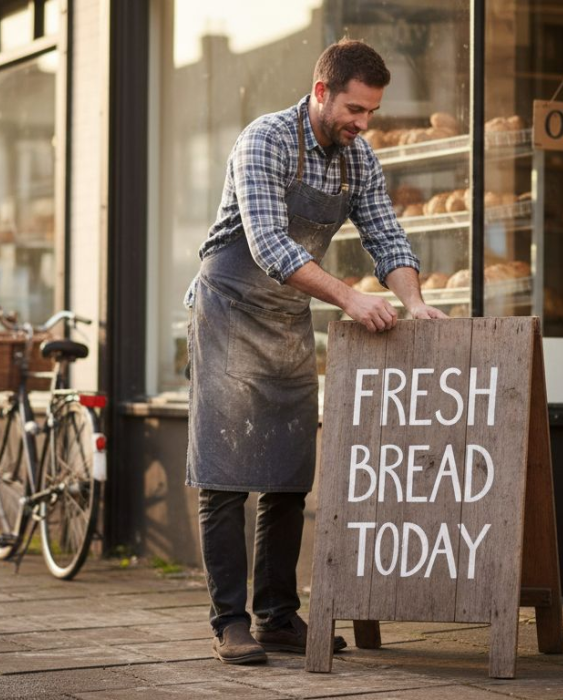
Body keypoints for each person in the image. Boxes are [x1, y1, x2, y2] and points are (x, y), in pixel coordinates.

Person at [185, 39, 448, 665]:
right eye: (356, 110)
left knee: (286, 473)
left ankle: (278, 614)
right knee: (224, 474)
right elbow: (270, 242)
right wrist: (351, 300)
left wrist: (414, 304)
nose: (363, 124)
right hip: (227, 308)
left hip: (287, 317)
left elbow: (386, 232)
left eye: (372, 114)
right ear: (322, 91)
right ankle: (229, 620)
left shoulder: (357, 157)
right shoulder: (265, 139)